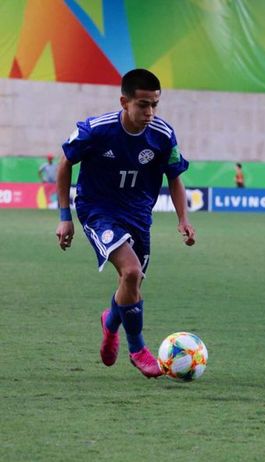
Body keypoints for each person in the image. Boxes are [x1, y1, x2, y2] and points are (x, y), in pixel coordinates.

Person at [55, 69, 196, 378]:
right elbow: (64, 163)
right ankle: (138, 349)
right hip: (98, 210)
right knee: (131, 272)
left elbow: (175, 178)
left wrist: (183, 219)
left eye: (155, 105)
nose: (149, 112)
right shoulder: (95, 130)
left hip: (138, 216)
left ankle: (110, 322)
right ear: (124, 101)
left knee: (130, 286)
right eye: (143, 104)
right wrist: (65, 218)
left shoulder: (163, 135)